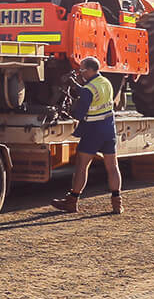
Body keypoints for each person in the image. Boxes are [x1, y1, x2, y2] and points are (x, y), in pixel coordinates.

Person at [52, 56, 122, 214]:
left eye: (82, 70)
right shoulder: (105, 82)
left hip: (93, 131)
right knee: (112, 166)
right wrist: (77, 86)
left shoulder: (88, 90)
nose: (80, 73)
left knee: (82, 167)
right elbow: (90, 92)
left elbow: (79, 112)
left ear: (90, 70)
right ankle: (117, 203)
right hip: (109, 129)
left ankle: (72, 201)